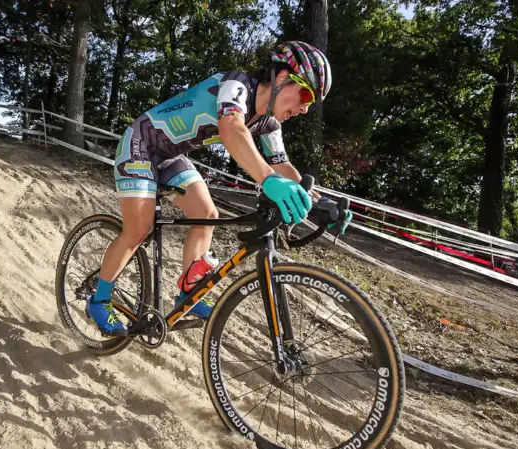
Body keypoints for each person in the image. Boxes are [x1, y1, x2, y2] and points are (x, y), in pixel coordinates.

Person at [87, 40, 342, 336]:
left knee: (208, 213)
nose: (305, 108)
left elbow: (283, 165)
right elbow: (232, 128)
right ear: (281, 78)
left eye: (312, 103)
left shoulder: (269, 123)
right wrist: (268, 179)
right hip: (141, 143)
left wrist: (319, 202)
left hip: (170, 156)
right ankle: (99, 299)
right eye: (305, 94)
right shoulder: (237, 84)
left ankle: (188, 292)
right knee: (138, 229)